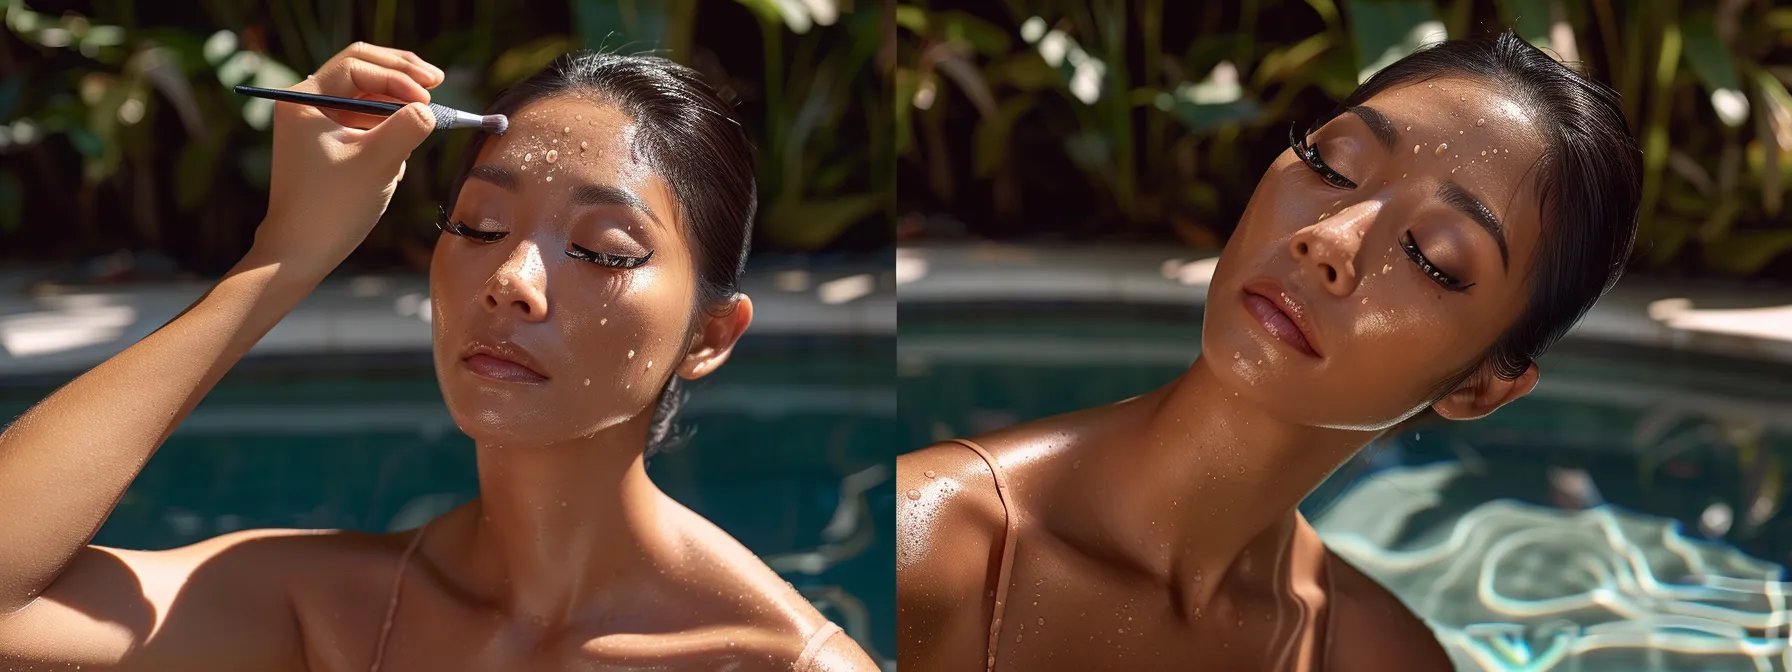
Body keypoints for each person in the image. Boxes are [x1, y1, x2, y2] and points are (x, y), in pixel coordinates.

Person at [0, 42, 876, 671]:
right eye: (481, 227)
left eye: (604, 249)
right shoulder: (331, 614)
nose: (512, 279)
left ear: (710, 337)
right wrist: (283, 256)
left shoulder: (778, 662)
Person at [895, 31, 1640, 671]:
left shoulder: (1377, 656)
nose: (1331, 239)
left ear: (1480, 386)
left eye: (1431, 256)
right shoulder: (937, 551)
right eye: (1330, 166)